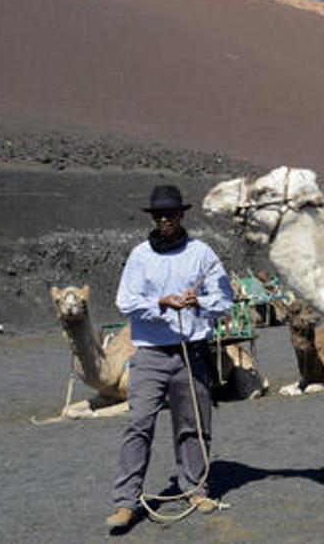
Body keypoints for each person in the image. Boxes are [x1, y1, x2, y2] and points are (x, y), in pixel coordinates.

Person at [107, 185, 234, 528]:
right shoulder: (140, 256)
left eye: (171, 214)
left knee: (194, 423)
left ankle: (195, 487)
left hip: (190, 351)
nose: (165, 219)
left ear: (182, 215)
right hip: (149, 353)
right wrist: (160, 303)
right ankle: (125, 501)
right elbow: (125, 301)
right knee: (139, 423)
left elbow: (224, 298)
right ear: (153, 217)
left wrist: (200, 302)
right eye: (159, 215)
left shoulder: (202, 254)